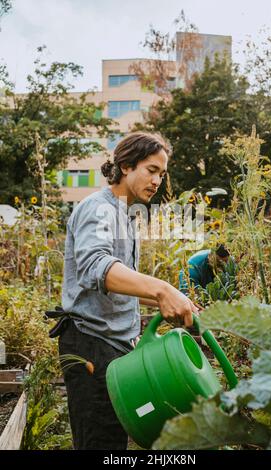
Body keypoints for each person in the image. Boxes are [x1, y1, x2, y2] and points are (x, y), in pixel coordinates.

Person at [57, 132, 199, 450]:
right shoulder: (99, 209)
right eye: (151, 170)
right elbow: (97, 267)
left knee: (114, 438)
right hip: (90, 343)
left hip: (114, 345)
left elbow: (123, 285)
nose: (158, 180)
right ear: (125, 165)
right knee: (101, 441)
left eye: (162, 174)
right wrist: (162, 289)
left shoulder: (124, 214)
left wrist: (175, 298)